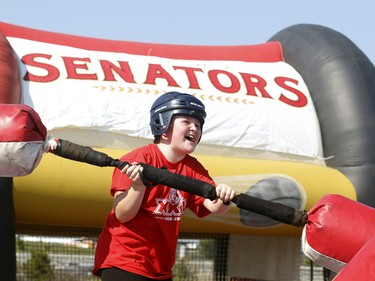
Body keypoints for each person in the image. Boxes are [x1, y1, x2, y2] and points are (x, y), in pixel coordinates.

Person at [93, 91, 236, 281]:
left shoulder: (193, 168)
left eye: (198, 124)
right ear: (163, 123)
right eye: (186, 122)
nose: (194, 128)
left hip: (160, 268)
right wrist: (138, 186)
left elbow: (214, 207)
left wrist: (224, 197)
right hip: (125, 261)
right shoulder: (139, 159)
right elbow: (122, 214)